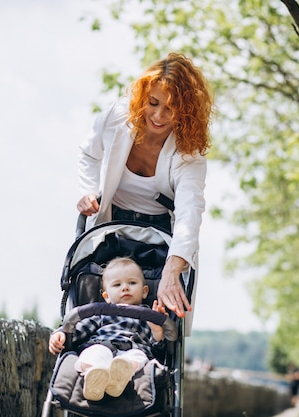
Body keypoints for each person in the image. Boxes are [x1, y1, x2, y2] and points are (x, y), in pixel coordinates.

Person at [76, 52, 214, 319]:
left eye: (170, 109)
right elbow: (89, 154)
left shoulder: (189, 151)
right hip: (111, 224)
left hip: (160, 235)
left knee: (159, 316)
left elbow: (189, 210)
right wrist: (88, 191)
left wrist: (172, 272)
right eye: (153, 103)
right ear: (143, 96)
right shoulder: (117, 116)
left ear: (184, 113)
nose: (159, 116)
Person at [48, 257, 166, 401]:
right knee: (95, 352)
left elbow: (158, 348)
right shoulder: (101, 313)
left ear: (144, 291)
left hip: (131, 351)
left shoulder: (148, 315)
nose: (125, 287)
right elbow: (79, 329)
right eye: (117, 285)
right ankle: (95, 377)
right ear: (106, 296)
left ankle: (117, 380)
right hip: (102, 346)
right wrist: (61, 334)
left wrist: (157, 329)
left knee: (138, 357)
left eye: (132, 283)